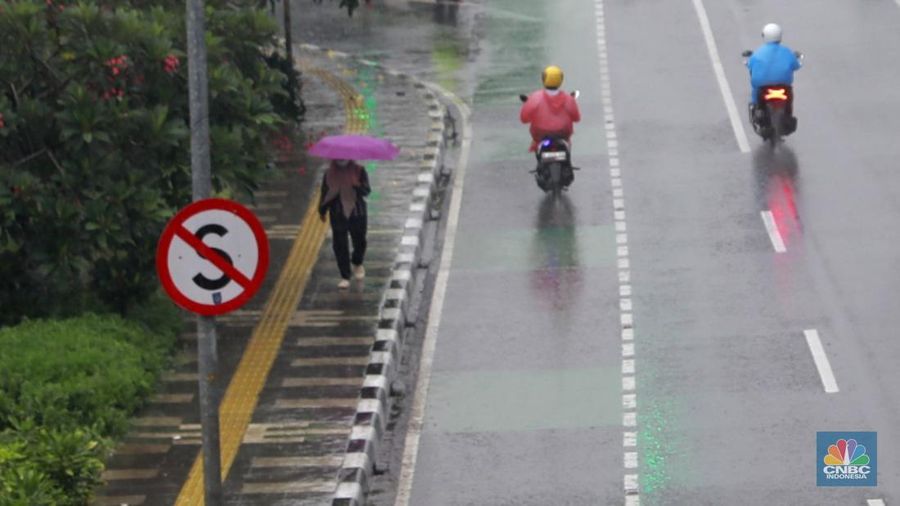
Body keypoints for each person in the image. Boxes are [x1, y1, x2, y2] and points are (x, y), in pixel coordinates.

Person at [318, 159, 370, 289]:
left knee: (360, 240)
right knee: (340, 244)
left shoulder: (359, 171)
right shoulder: (329, 174)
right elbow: (325, 193)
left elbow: (367, 190)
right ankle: (345, 276)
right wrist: (322, 210)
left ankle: (357, 262)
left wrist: (356, 185)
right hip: (338, 213)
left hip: (357, 212)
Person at [519, 65, 581, 153]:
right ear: (561, 79)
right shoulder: (568, 99)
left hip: (540, 135)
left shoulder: (535, 98)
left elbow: (524, 119)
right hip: (563, 134)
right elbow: (576, 118)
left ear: (544, 79)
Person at [746, 23, 801, 118]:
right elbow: (796, 66)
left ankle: (756, 108)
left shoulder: (759, 52)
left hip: (762, 86)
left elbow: (750, 65)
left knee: (756, 91)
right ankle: (788, 114)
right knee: (789, 93)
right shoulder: (786, 51)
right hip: (783, 85)